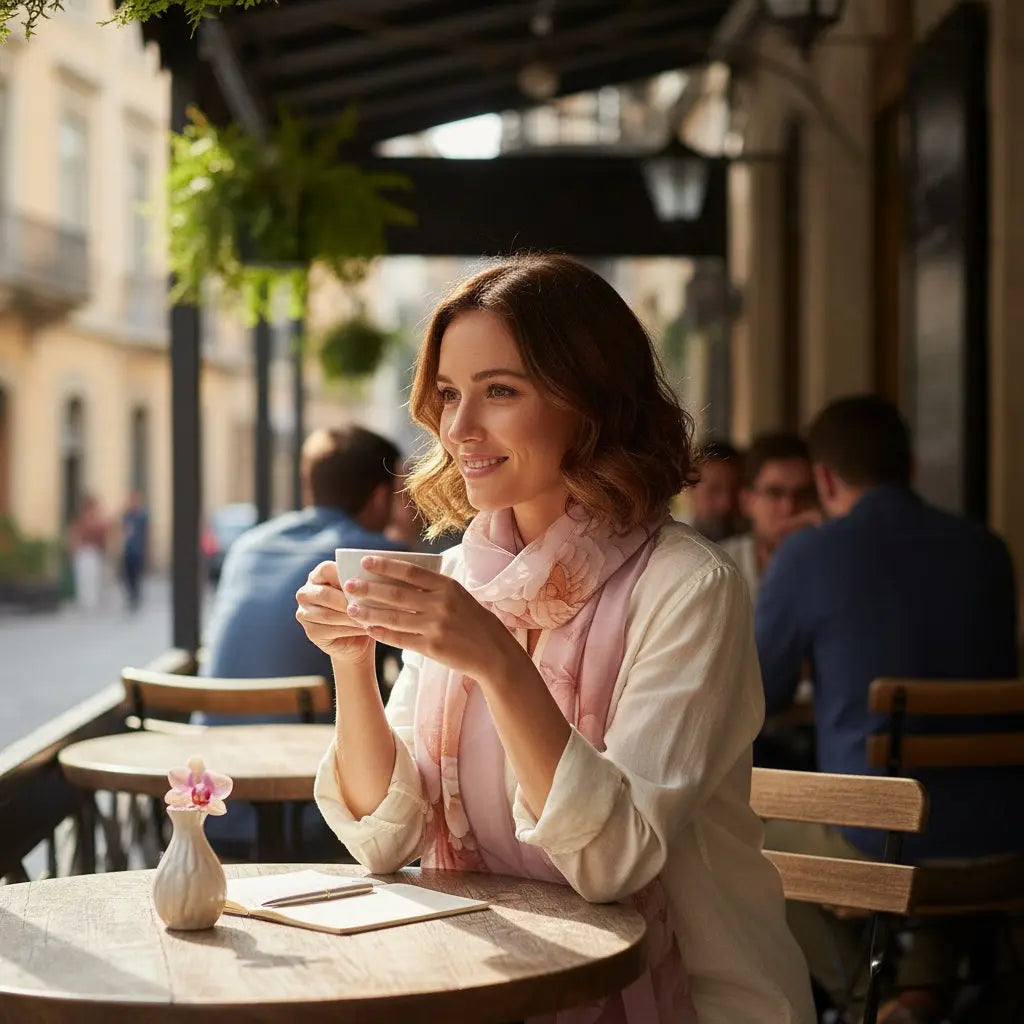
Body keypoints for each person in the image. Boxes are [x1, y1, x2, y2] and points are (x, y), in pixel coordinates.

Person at [296, 254, 815, 1023]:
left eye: (500, 391)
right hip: (490, 981)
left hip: (692, 999)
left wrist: (498, 662)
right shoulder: (466, 578)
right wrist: (353, 663)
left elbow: (611, 860)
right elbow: (385, 838)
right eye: (449, 394)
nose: (459, 428)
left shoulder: (689, 587)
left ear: (590, 401)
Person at [756, 395, 1023, 1023]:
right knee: (938, 810)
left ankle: (864, 1003)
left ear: (824, 479)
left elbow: (758, 697)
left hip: (884, 849)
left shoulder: (810, 554)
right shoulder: (988, 549)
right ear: (910, 467)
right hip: (1004, 841)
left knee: (725, 825)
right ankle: (921, 991)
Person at [202, 425, 404, 681]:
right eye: (401, 494)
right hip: (314, 708)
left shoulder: (248, 545)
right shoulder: (377, 558)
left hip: (208, 705)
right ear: (381, 497)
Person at [721, 432, 818, 600]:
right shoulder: (719, 568)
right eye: (775, 493)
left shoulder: (834, 566)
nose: (789, 508)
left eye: (802, 494)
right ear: (747, 501)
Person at [686, 438, 744, 542]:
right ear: (690, 487)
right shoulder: (670, 543)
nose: (726, 504)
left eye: (735, 490)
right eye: (714, 490)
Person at [68, 495, 109, 610]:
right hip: (83, 551)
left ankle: (91, 601)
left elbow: (104, 533)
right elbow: (75, 534)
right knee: (83, 577)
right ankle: (85, 601)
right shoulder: (82, 520)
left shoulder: (98, 520)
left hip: (94, 552)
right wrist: (74, 546)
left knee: (93, 577)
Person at [120, 491, 149, 612]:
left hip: (138, 550)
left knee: (137, 575)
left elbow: (146, 533)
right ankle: (131, 595)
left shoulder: (142, 516)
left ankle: (135, 596)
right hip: (128, 550)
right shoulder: (126, 516)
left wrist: (147, 549)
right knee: (128, 575)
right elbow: (122, 531)